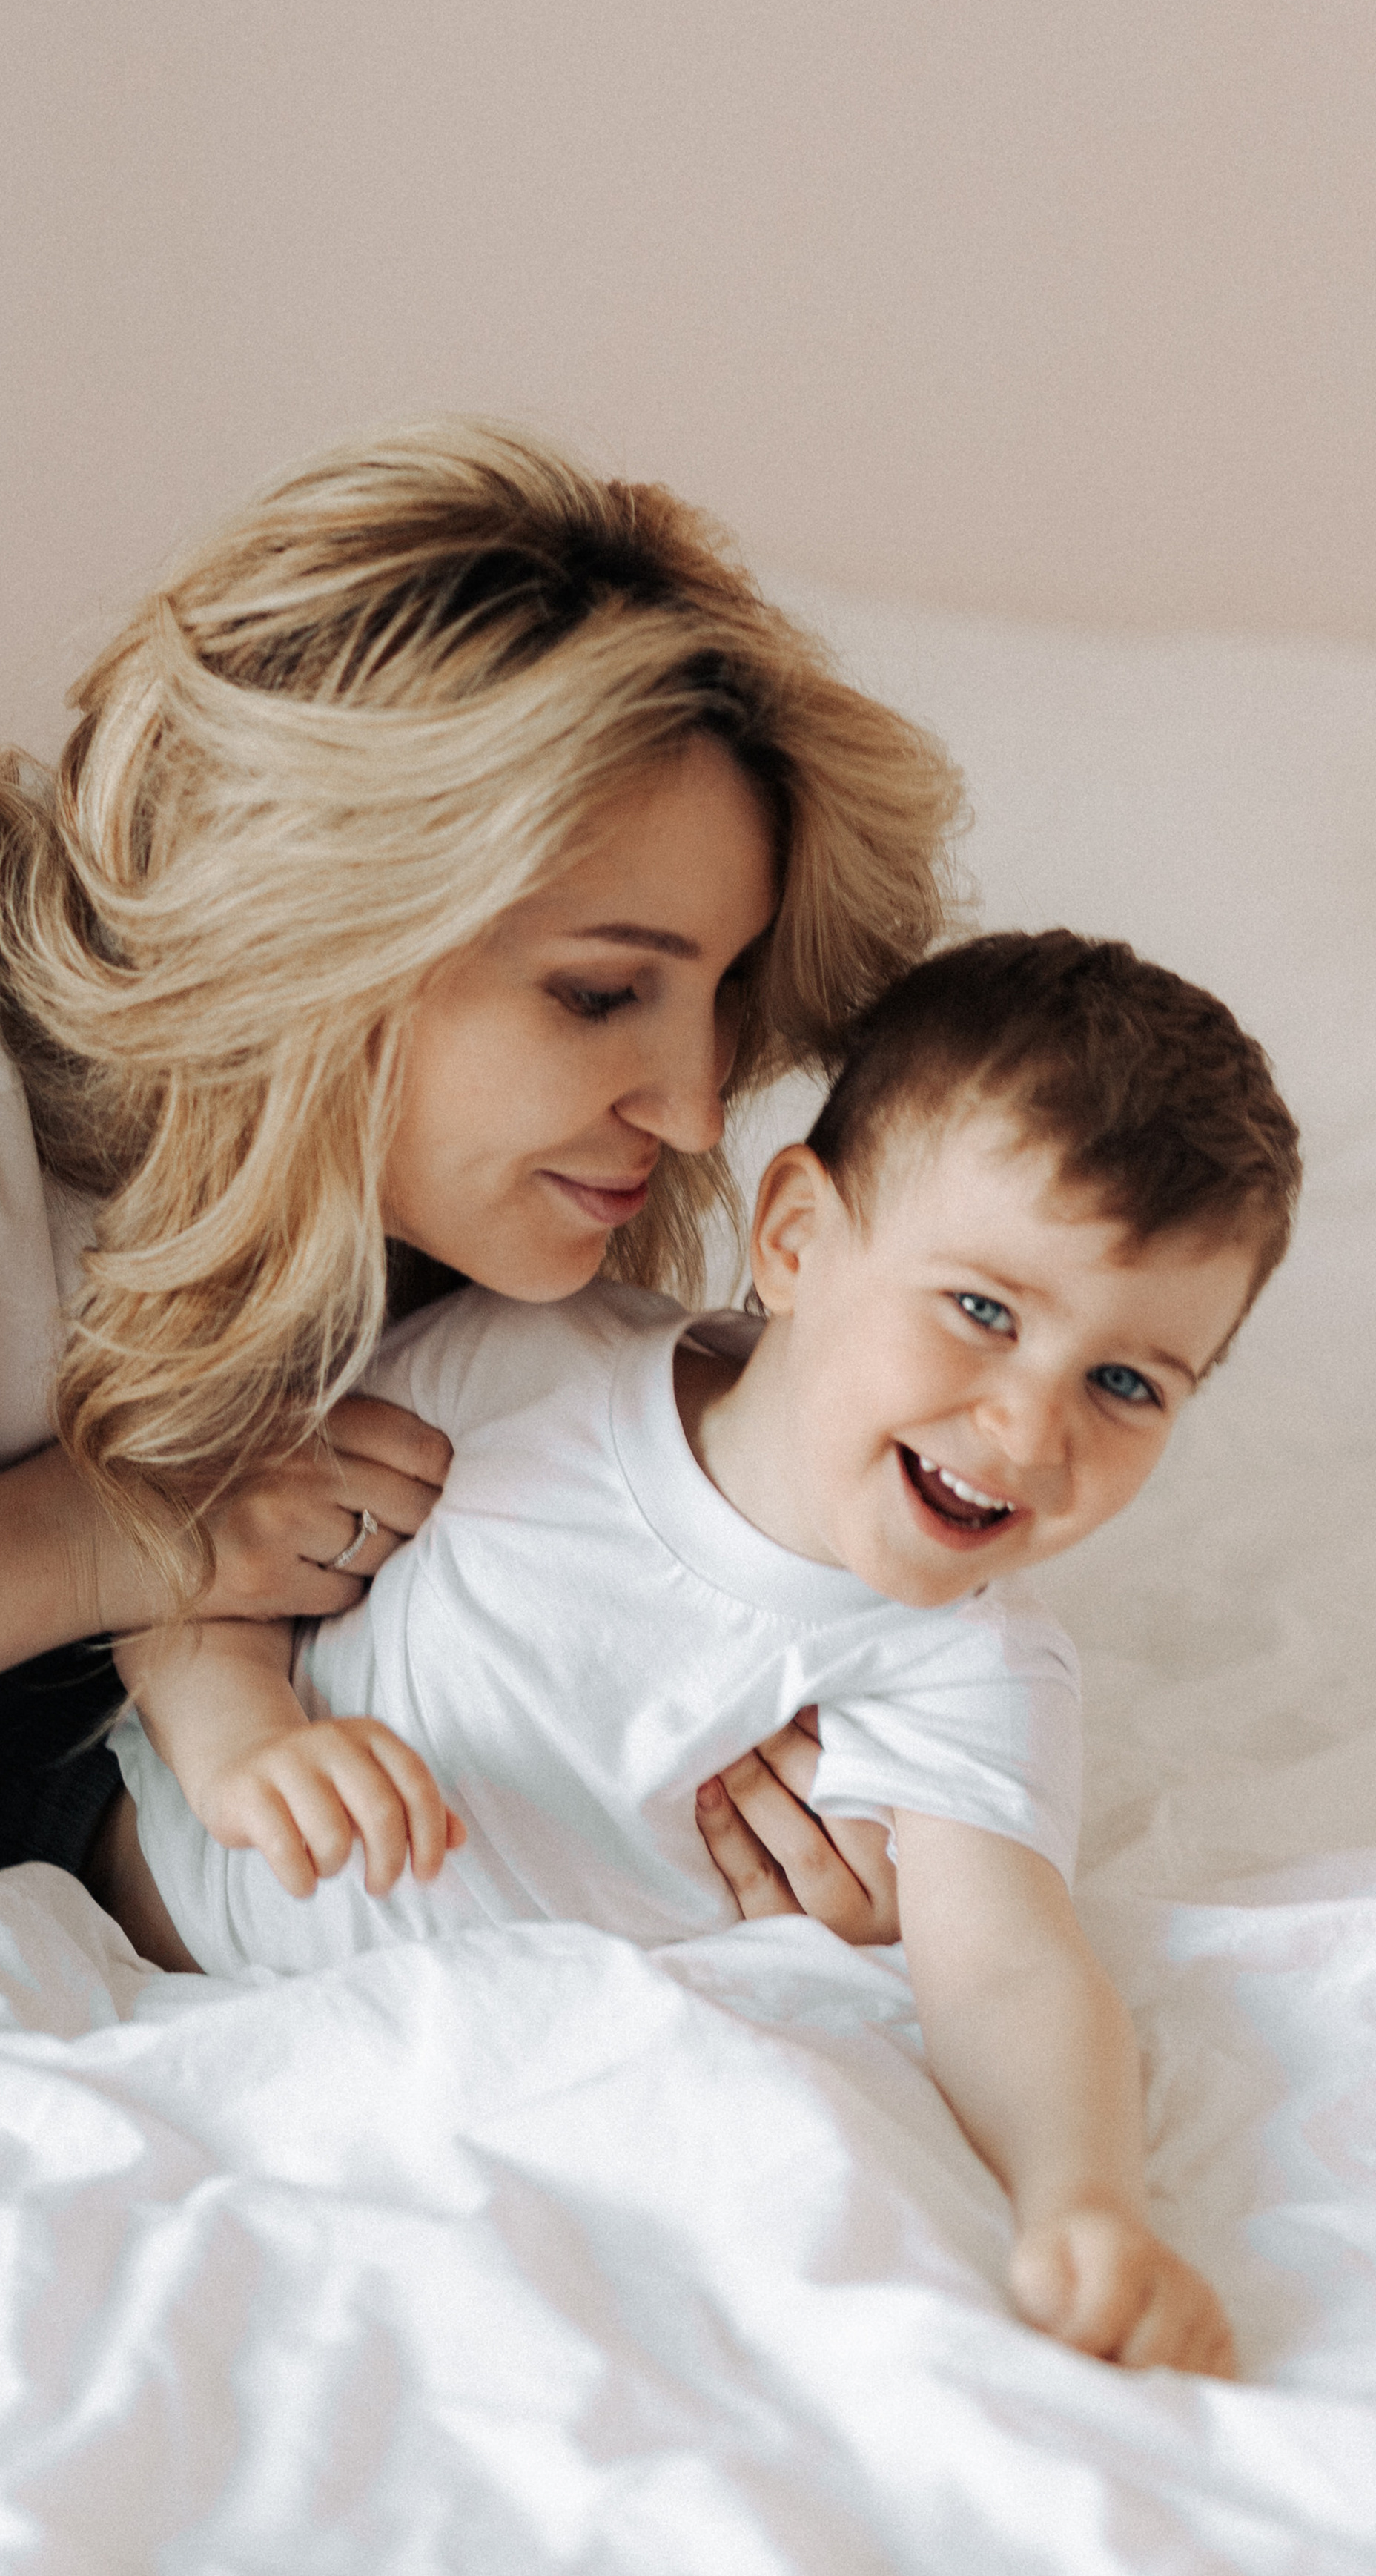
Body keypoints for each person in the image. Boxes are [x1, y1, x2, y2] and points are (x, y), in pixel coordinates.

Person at [0, 421, 959, 2111]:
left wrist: (739, 1759)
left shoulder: (382, 1207)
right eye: (598, 993)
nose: (695, 1109)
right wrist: (97, 1536)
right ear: (320, 927)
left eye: (723, 994)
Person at [103, 933, 1302, 2381]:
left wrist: (1086, 2203)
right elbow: (197, 1559)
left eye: (1124, 1383)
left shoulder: (968, 1664)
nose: (1030, 1430)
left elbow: (1006, 1973)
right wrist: (242, 1740)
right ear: (793, 1238)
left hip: (421, 2095)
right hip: (148, 1914)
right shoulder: (524, 1367)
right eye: (982, 1311)